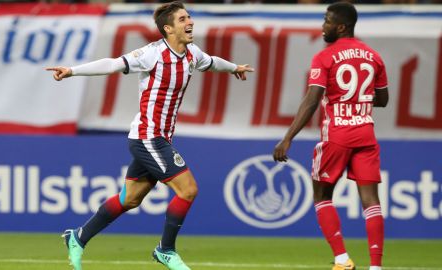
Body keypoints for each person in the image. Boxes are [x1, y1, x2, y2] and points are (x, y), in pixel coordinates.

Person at [46, 2, 254, 270]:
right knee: (188, 189)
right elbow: (112, 64)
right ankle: (165, 250)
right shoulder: (152, 53)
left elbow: (212, 63)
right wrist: (72, 70)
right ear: (168, 28)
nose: (189, 22)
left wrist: (234, 67)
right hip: (148, 136)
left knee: (130, 199)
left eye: (189, 17)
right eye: (182, 19)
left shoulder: (192, 53)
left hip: (161, 138)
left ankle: (78, 237)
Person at [273, 2, 388, 270]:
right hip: (366, 133)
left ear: (341, 26)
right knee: (371, 200)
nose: (322, 26)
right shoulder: (374, 56)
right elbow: (382, 99)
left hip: (337, 134)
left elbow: (312, 101)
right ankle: (376, 266)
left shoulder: (324, 57)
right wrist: (358, 98)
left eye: (326, 21)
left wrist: (288, 137)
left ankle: (342, 259)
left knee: (322, 196)